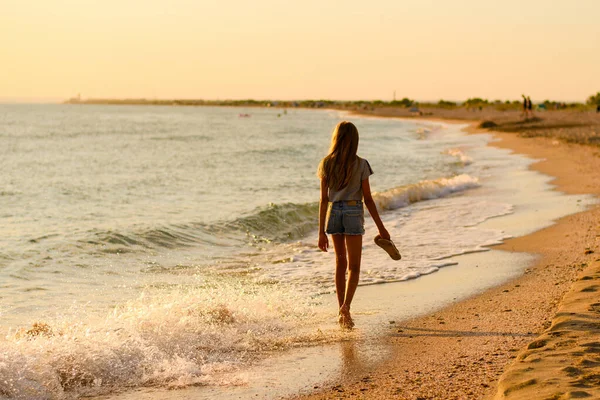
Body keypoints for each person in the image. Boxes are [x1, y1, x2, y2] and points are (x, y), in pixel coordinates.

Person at [317, 121, 391, 329]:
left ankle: (341, 309)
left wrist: (321, 232)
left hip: (334, 213)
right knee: (354, 267)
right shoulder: (361, 164)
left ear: (336, 139)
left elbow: (323, 200)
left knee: (340, 264)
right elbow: (368, 199)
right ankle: (346, 308)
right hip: (352, 211)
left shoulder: (326, 164)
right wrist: (381, 228)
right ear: (355, 140)